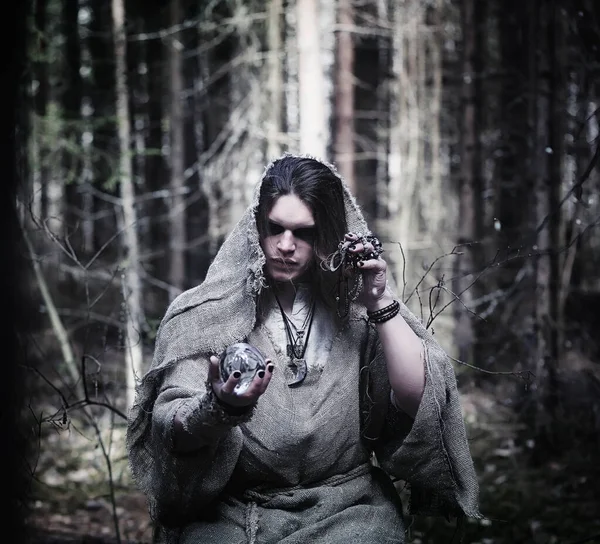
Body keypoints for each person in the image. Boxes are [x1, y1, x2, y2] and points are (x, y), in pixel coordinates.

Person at [126, 154, 481, 543]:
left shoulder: (356, 309)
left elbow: (419, 399)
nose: (285, 245)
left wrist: (379, 303)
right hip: (233, 512)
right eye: (274, 228)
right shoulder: (208, 312)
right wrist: (218, 409)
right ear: (256, 226)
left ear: (327, 234)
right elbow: (170, 427)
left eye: (304, 232)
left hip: (347, 507)